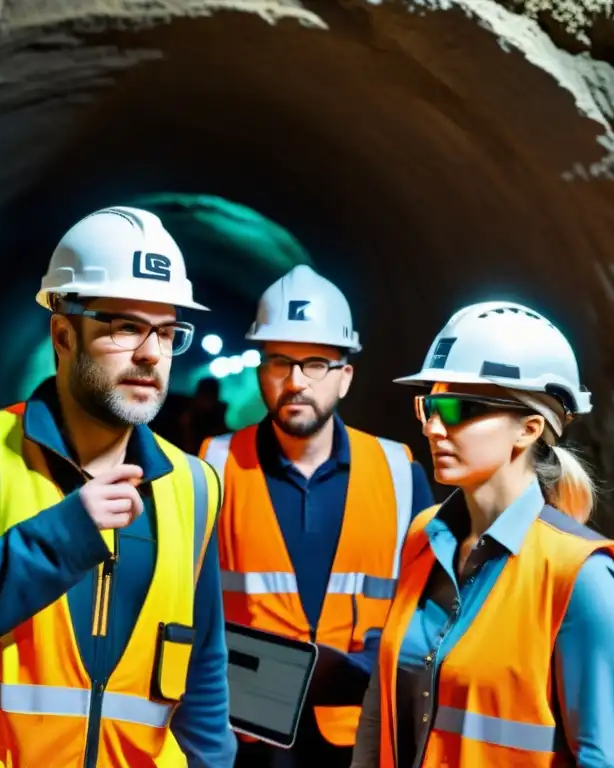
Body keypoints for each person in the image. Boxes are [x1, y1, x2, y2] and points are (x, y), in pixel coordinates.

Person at [0, 206, 237, 768]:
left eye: (166, 332)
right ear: (63, 334)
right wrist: (63, 534)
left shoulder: (193, 485)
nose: (150, 354)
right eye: (125, 327)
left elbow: (204, 669)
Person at [351, 301, 614, 768]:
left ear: (529, 427)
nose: (434, 427)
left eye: (460, 407)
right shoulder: (423, 537)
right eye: (429, 405)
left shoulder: (583, 578)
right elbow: (382, 707)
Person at [199, 265, 435, 768]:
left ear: (345, 377)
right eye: (279, 361)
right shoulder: (213, 468)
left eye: (315, 363)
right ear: (260, 370)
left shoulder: (399, 473)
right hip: (245, 739)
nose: (296, 381)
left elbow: (431, 611)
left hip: (358, 731)